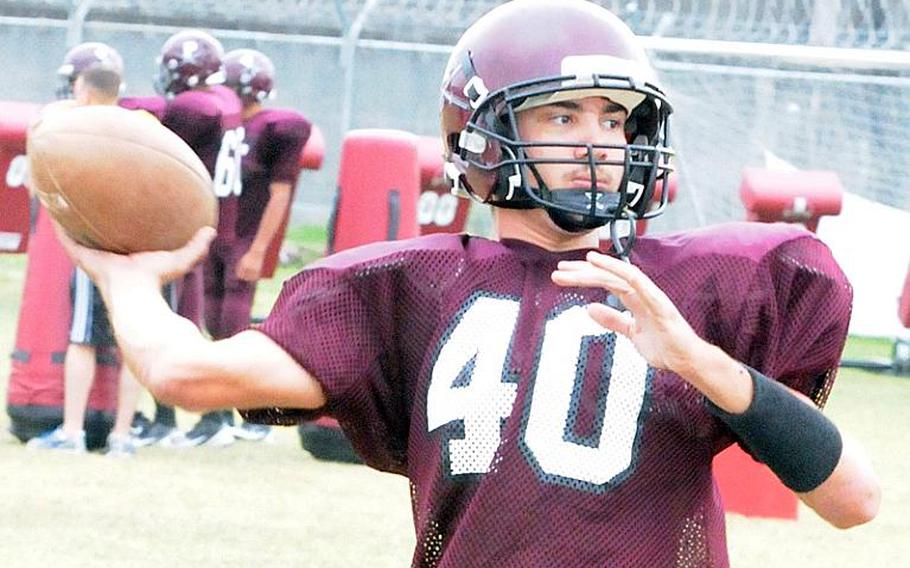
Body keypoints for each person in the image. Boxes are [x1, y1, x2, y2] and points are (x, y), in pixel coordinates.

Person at [58, 1, 880, 565]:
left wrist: (705, 365)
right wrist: (128, 278)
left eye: (615, 118)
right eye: (563, 116)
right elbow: (184, 373)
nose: (602, 143)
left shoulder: (699, 289)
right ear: (482, 136)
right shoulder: (411, 290)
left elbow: (854, 502)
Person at [121, 29, 245, 447]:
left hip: (186, 227)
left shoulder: (196, 108)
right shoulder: (225, 99)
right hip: (214, 223)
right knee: (195, 321)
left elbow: (163, 116)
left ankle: (175, 417)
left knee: (176, 321)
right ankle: (213, 417)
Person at [27, 43, 142, 457]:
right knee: (133, 342)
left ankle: (73, 432)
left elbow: (41, 132)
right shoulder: (142, 125)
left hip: (98, 244)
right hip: (145, 247)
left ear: (85, 90)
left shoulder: (76, 126)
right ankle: (123, 436)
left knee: (83, 340)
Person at [199, 48, 312, 442]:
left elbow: (280, 194)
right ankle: (222, 415)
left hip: (244, 236)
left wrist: (260, 249)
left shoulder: (273, 128)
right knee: (212, 323)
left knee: (234, 329)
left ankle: (249, 414)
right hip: (217, 234)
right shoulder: (223, 125)